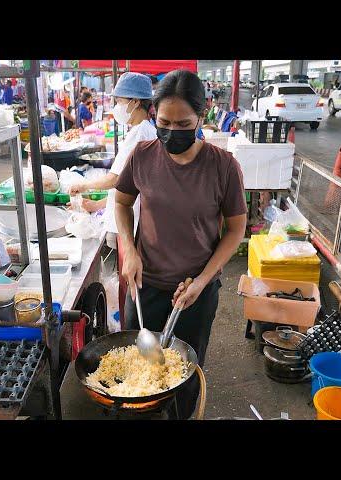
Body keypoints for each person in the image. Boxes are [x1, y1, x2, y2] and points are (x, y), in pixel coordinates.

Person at [115, 69, 247, 419]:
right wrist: (129, 249)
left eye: (183, 123)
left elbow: (236, 229)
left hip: (196, 292)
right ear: (153, 114)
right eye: (164, 122)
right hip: (146, 286)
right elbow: (121, 202)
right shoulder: (142, 155)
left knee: (185, 377)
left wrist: (202, 281)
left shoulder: (223, 166)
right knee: (141, 373)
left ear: (201, 117)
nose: (171, 132)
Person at [69, 72, 156, 324]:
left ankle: (129, 331)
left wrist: (82, 185)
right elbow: (124, 187)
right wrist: (96, 205)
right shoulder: (139, 131)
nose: (117, 106)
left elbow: (116, 179)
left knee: (128, 279)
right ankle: (129, 325)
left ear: (136, 102)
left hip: (131, 221)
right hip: (127, 214)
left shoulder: (142, 133)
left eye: (120, 101)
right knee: (125, 277)